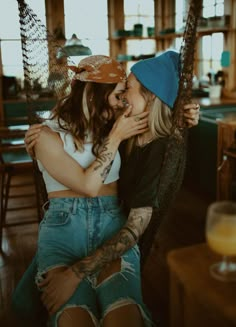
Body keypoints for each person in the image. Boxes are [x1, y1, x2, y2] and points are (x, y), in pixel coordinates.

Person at [12, 52, 200, 327]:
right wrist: (115, 136)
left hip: (112, 223)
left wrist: (187, 113)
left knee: (124, 316)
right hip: (64, 231)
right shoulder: (56, 135)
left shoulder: (118, 126)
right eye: (118, 94)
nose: (122, 100)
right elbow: (88, 185)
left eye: (127, 92)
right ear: (94, 96)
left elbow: (159, 117)